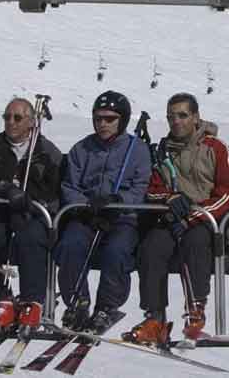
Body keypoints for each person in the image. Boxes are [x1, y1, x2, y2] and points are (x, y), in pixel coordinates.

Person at [125, 93, 229, 346]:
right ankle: (154, 318)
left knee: (195, 243)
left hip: (206, 219)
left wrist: (198, 214)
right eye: (171, 117)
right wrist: (169, 198)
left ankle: (195, 311)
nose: (176, 122)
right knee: (152, 246)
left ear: (196, 117)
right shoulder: (162, 151)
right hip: (172, 217)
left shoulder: (215, 148)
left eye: (182, 115)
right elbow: (152, 187)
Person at [0, 98, 63, 339]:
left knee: (31, 239)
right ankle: (1, 298)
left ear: (31, 122)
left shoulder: (46, 151)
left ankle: (32, 301)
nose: (11, 122)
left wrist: (36, 202)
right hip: (1, 213)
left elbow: (59, 189)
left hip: (32, 216)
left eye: (17, 118)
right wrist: (3, 190)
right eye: (7, 117)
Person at [55, 90, 151, 333]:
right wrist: (86, 206)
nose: (103, 124)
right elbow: (69, 185)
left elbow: (141, 188)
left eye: (110, 119)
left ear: (123, 120)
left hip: (121, 217)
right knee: (70, 245)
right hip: (87, 216)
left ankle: (106, 307)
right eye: (98, 118)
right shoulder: (82, 149)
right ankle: (78, 302)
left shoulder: (136, 150)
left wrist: (118, 200)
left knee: (117, 251)